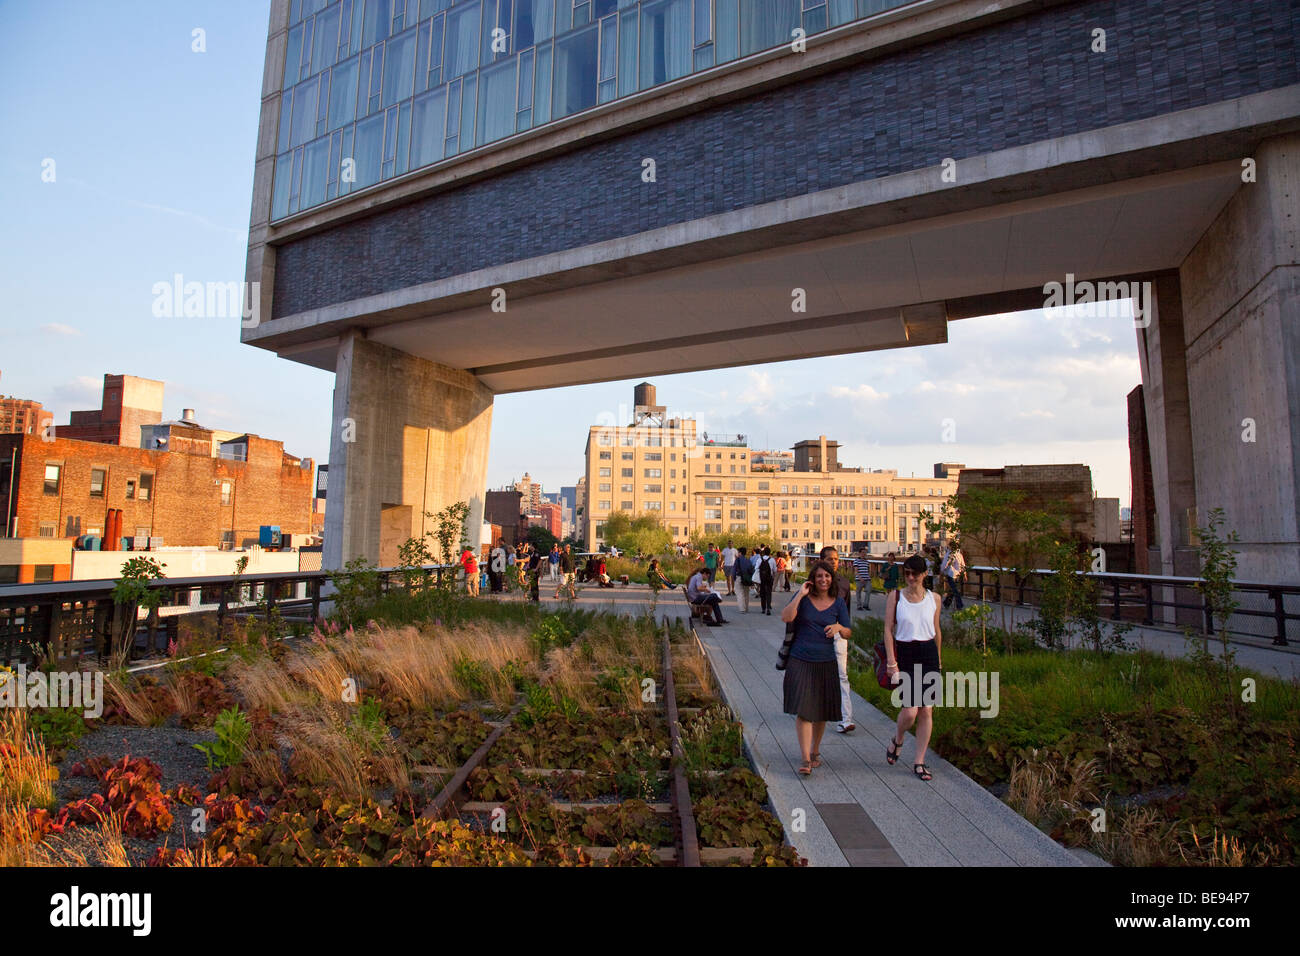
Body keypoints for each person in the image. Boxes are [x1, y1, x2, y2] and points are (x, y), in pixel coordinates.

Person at [780, 561, 850, 776]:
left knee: (821, 711)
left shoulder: (838, 603)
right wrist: (800, 594)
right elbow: (786, 617)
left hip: (826, 660)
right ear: (813, 578)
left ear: (832, 579)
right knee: (804, 709)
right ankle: (805, 758)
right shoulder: (803, 599)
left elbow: (848, 631)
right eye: (819, 576)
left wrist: (839, 627)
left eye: (827, 576)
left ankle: (815, 750)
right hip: (800, 659)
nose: (823, 580)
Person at [883, 553, 943, 782]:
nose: (909, 578)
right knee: (910, 711)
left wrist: (938, 659)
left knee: (926, 710)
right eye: (906, 573)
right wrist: (891, 661)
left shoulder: (934, 598)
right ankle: (898, 738)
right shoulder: (895, 597)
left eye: (914, 574)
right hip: (905, 653)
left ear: (924, 575)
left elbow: (936, 630)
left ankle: (919, 761)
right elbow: (888, 629)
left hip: (928, 654)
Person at [819, 546, 857, 734]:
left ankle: (845, 719)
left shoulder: (843, 583)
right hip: (817, 636)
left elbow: (846, 613)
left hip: (838, 635)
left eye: (836, 559)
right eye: (829, 559)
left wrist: (844, 629)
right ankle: (813, 709)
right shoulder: (815, 583)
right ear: (820, 561)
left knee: (842, 675)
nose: (833, 562)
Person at [941, 542, 965, 610]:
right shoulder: (959, 554)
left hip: (951, 574)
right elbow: (963, 564)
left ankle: (958, 604)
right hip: (958, 574)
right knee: (954, 589)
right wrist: (964, 573)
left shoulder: (950, 554)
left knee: (954, 590)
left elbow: (945, 563)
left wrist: (942, 571)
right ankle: (948, 603)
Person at [755, 546, 775, 615]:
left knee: (762, 593)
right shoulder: (772, 560)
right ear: (769, 553)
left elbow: (756, 568)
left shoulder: (759, 559)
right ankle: (768, 608)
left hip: (762, 579)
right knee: (769, 593)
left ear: (763, 552)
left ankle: (763, 608)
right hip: (769, 578)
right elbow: (775, 570)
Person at [734, 547, 753, 613]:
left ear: (740, 553)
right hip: (747, 578)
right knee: (746, 593)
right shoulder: (748, 560)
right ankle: (746, 608)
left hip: (739, 577)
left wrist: (734, 578)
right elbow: (751, 570)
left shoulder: (737, 560)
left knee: (739, 593)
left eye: (738, 552)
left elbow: (734, 570)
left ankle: (742, 608)